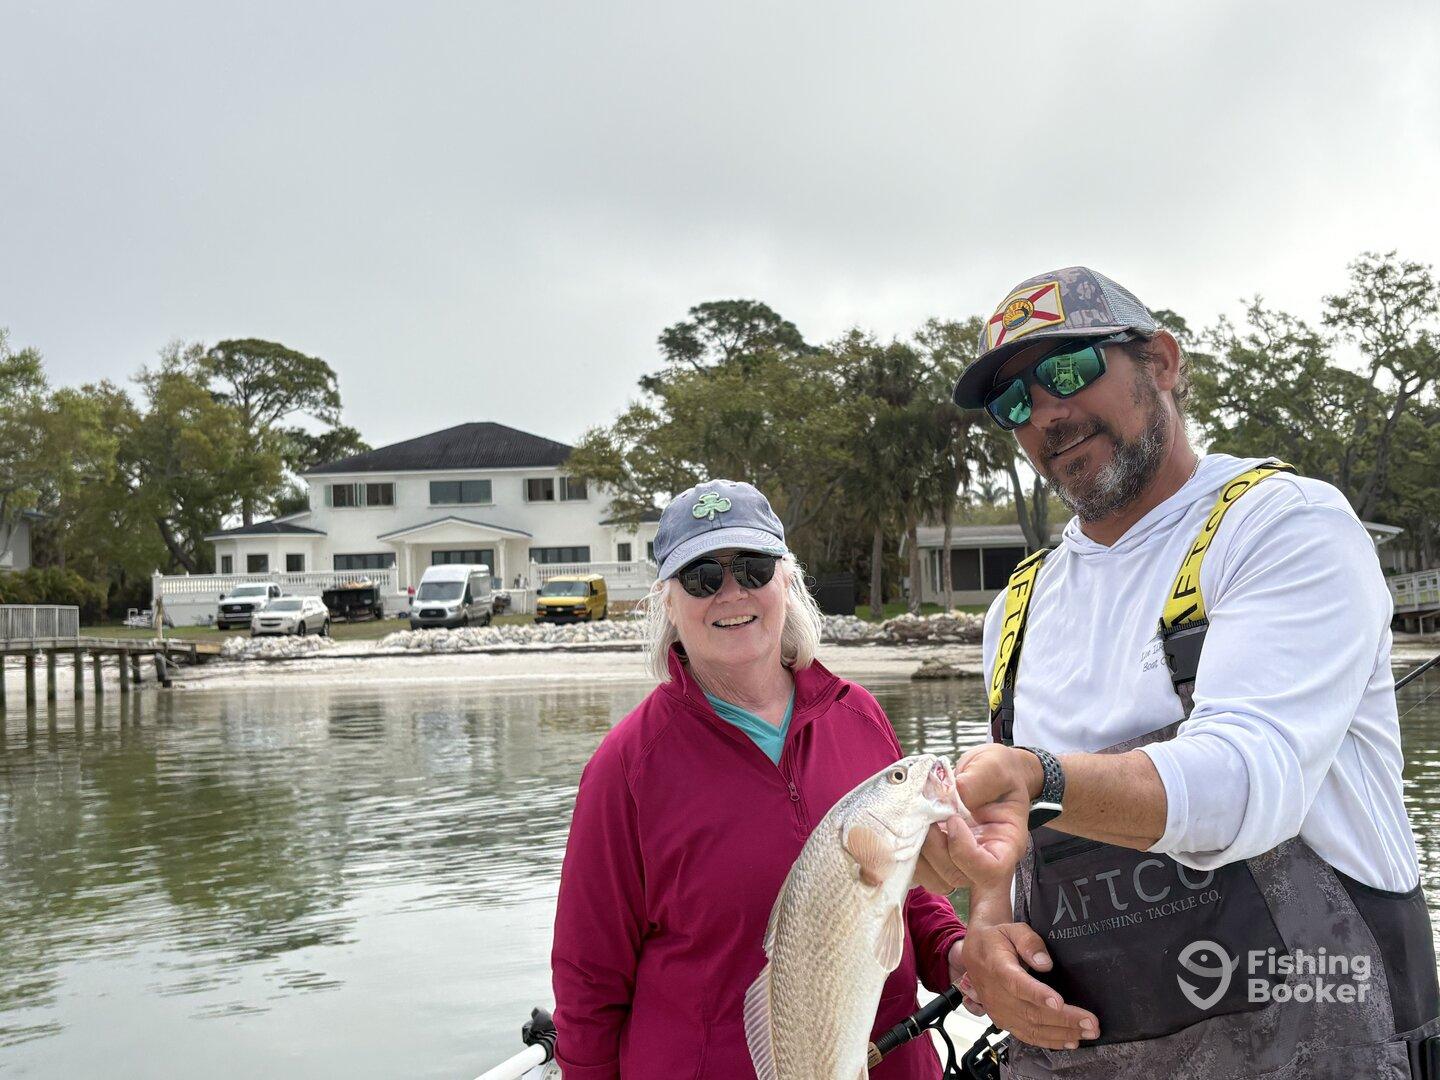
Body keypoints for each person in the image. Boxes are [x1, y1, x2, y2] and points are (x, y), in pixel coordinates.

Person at [923, 266, 1440, 1078]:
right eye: (1016, 403)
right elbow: (1005, 843)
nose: (1049, 415)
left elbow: (1245, 781)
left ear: (1160, 361)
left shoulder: (1281, 525)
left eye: (1068, 371)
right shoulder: (1015, 611)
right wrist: (987, 928)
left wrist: (1040, 777)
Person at [551, 479, 967, 1079]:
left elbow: (902, 887)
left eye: (752, 568)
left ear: (787, 581)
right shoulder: (625, 770)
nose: (731, 593)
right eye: (701, 578)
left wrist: (953, 951)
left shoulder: (859, 716)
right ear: (667, 601)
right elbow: (589, 984)